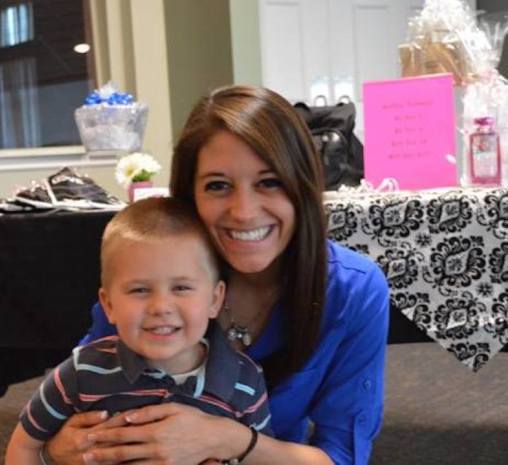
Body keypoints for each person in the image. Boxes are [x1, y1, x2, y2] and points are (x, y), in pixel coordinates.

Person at [42, 85, 390, 465]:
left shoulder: (352, 290)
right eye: (218, 186)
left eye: (269, 182)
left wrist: (229, 440)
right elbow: (68, 411)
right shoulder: (150, 276)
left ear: (302, 187)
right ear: (188, 196)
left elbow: (343, 456)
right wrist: (56, 451)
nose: (243, 212)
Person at [6, 197, 273, 465]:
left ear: (215, 300)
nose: (161, 307)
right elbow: (25, 446)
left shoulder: (246, 381)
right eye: (140, 290)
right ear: (109, 305)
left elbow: (260, 458)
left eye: (181, 287)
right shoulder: (78, 374)